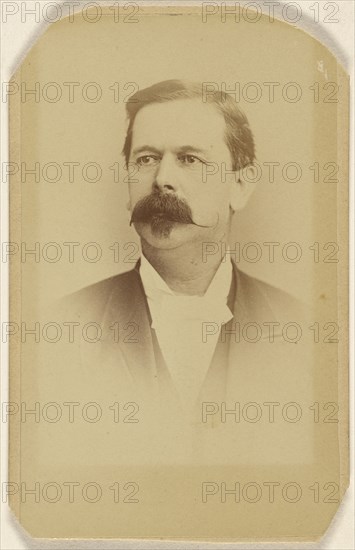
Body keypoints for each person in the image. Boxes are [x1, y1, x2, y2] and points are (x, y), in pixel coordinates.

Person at [57, 79, 303, 413]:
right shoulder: (62, 328)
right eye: (146, 159)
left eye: (189, 159)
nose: (161, 179)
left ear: (241, 184)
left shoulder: (303, 330)